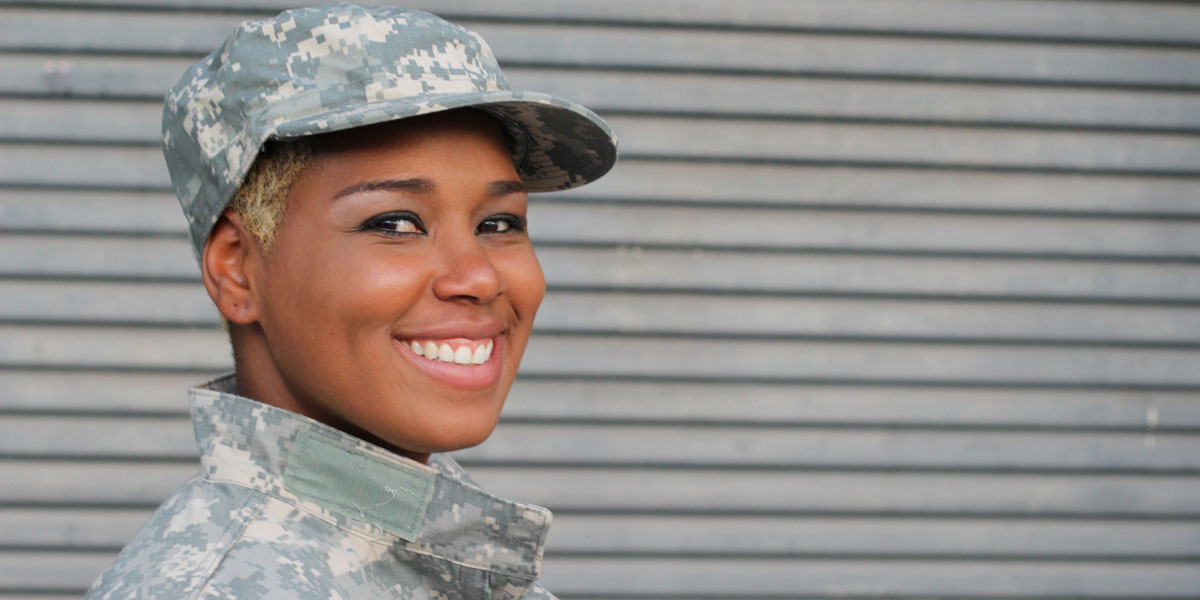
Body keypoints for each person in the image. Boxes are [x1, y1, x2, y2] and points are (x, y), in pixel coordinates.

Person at [84, 3, 617, 599]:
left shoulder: (416, 550)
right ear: (237, 269)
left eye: (499, 223)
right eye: (396, 223)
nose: (478, 277)